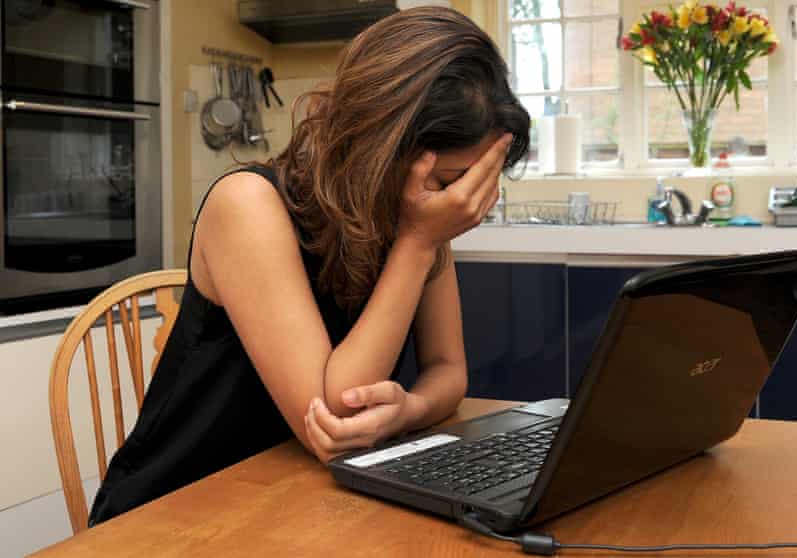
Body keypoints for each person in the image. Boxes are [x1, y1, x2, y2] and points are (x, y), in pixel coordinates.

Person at [87, 6, 530, 526]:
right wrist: (417, 242)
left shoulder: (413, 214)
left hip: (296, 500)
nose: (462, 203)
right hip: (173, 513)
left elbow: (448, 369)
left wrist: (409, 410)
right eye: (451, 181)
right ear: (382, 148)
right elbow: (335, 415)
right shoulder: (248, 206)